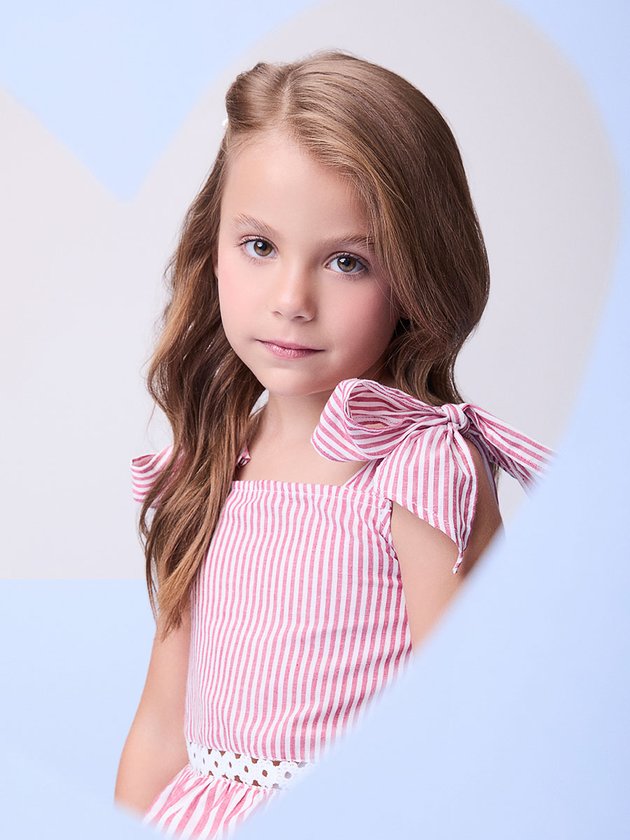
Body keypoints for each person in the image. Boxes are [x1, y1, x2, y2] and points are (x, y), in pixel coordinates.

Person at [114, 49, 554, 839]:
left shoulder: (423, 468)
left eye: (348, 262)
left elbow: (468, 732)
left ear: (414, 277)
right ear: (212, 245)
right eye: (260, 246)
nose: (292, 300)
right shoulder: (210, 462)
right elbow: (159, 730)